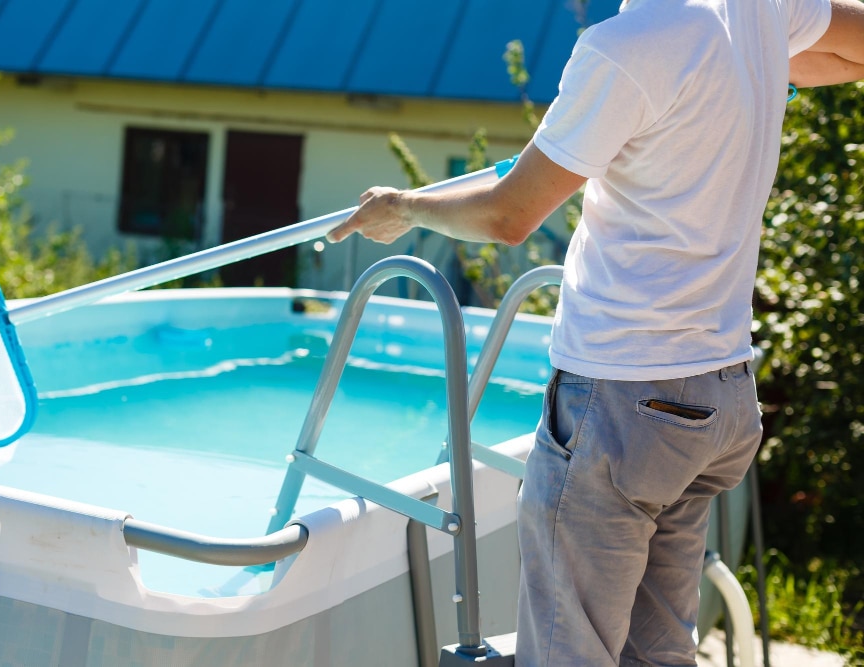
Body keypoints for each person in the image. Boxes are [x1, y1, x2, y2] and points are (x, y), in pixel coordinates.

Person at [326, 0, 864, 664]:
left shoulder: (627, 47)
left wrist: (401, 208)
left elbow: (508, 215)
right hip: (716, 394)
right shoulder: (753, 11)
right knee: (659, 650)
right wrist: (751, 71)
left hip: (623, 403)